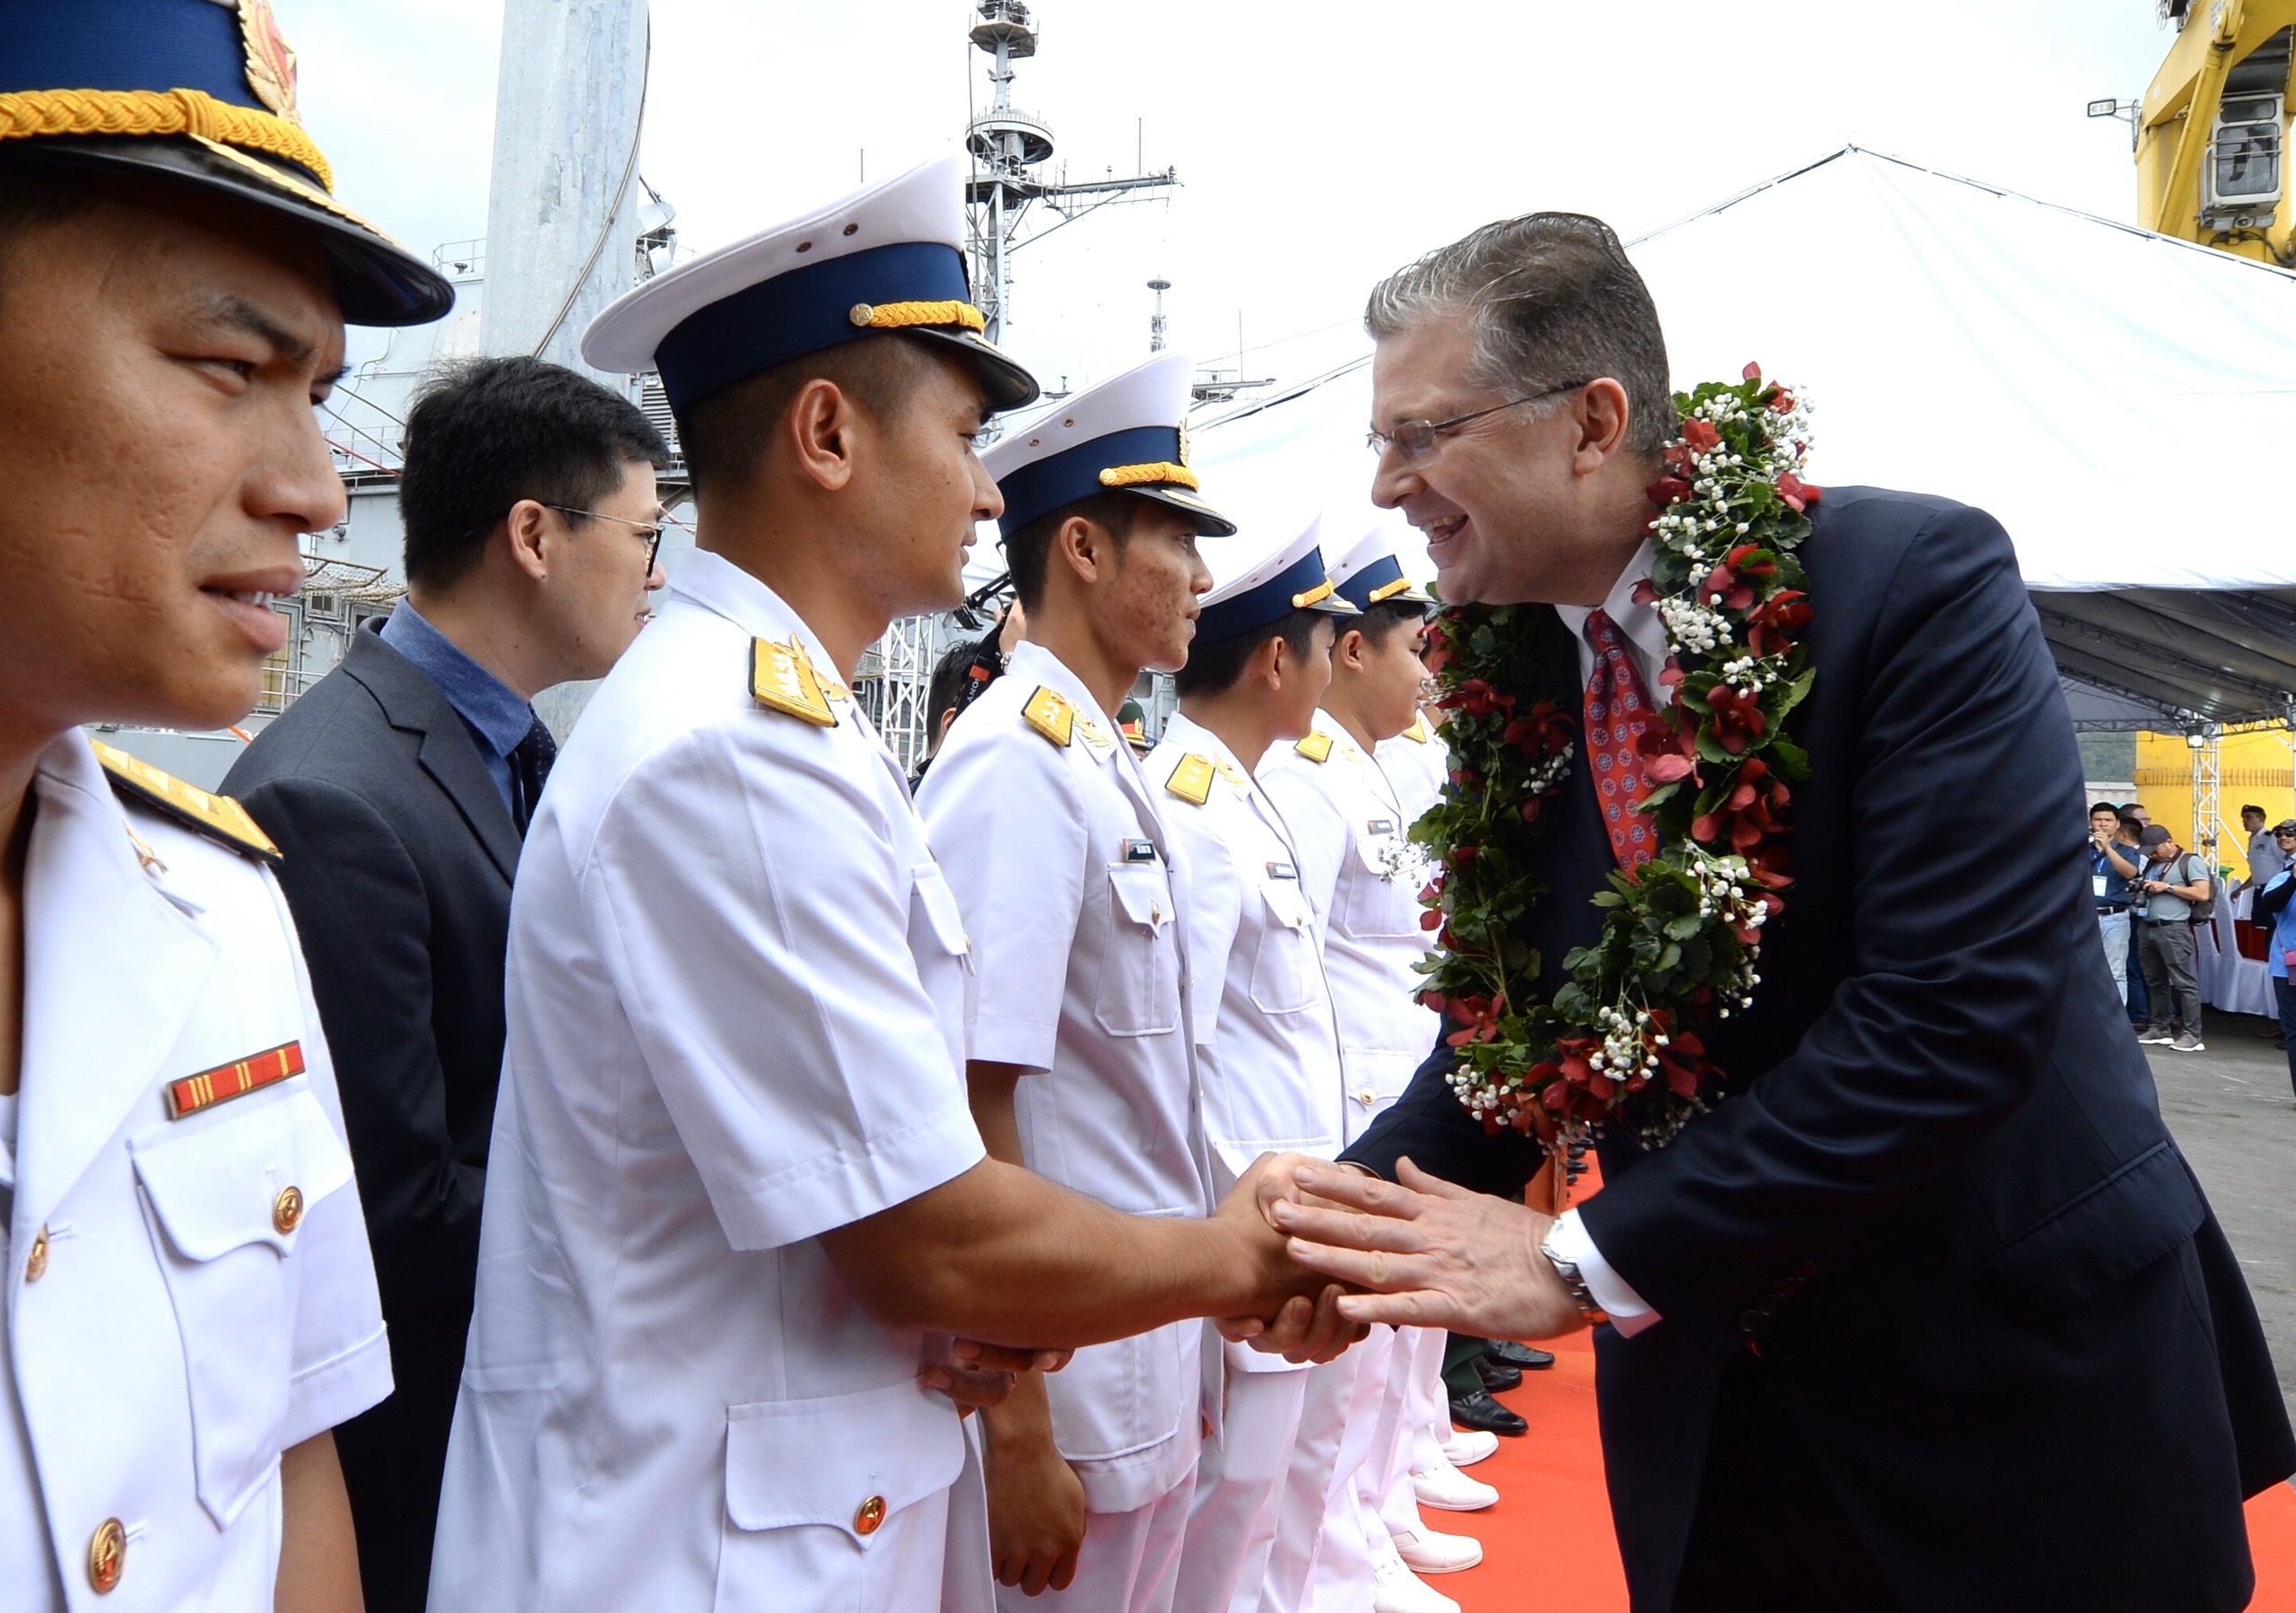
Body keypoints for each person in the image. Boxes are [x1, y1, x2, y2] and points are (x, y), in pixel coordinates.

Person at [1258, 209, 2292, 1611]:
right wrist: (1321, 1226)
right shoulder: (1515, 673)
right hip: (1723, 1426)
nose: (1387, 485)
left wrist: (1579, 1254)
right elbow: (1504, 1046)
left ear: (1591, 420)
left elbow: (1950, 1019)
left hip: (2004, 1398)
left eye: (1422, 432)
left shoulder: (1909, 588)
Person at [425, 157, 1346, 1613]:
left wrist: (983, 1321)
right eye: (969, 433)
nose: (992, 488)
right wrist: (1230, 1260)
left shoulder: (794, 721)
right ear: (827, 431)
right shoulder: (734, 748)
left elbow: (860, 1189)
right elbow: (928, 1225)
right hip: (696, 1543)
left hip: (791, 1507)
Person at [0, 3, 459, 1606]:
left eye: (320, 389)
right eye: (227, 366)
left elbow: (288, 1472)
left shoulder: (222, 915)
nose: (320, 485)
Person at [218, 356, 665, 1610]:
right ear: (534, 534)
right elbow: (392, 1211)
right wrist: (670, 1223)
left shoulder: (517, 748)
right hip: (411, 1474)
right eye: (642, 533)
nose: (658, 571)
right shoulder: (337, 795)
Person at [918, 351, 1231, 1609]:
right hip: (1073, 1381)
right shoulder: (1018, 764)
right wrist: (1020, 1430)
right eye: (1177, 541)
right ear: (1086, 552)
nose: (1205, 578)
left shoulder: (1101, 756)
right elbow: (978, 1101)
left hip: (1147, 1352)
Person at [1257, 526, 1485, 1613]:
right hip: (1344, 1087)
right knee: (1346, 1349)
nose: (1424, 672)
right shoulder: (1307, 776)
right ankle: (1339, 1551)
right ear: (1349, 651)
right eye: (1409, 649)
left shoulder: (1378, 770)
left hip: (1396, 1074)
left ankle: (1380, 1502)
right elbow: (1285, 957)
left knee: (1400, 1331)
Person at [1144, 518, 1363, 1613]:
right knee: (1219, 1528)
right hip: (1247, 1237)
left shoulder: (1238, 788)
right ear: (1279, 657)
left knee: (1257, 1513)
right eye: (1327, 642)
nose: (1336, 666)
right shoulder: (1191, 811)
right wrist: (1236, 1251)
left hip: (1286, 1220)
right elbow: (1177, 1064)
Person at [2134, 824, 2212, 1052]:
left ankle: (2192, 1033)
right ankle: (2160, 1027)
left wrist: (2167, 887)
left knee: (2183, 982)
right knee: (2155, 980)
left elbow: (2202, 893)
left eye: (2155, 849)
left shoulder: (2190, 861)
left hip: (2174, 927)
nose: (2152, 854)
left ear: (2169, 841)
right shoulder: (2152, 863)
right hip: (2148, 926)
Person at [2251, 821, 2296, 1098]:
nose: (2282, 838)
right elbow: (2271, 905)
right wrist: (2294, 878)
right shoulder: (2282, 877)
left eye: (2288, 834)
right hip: (2289, 965)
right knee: (2294, 1031)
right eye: (2278, 834)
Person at [2088, 800, 2140, 1006]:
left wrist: (2108, 848)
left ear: (2117, 824)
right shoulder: (2082, 850)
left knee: (2115, 971)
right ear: (2091, 822)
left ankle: (2115, 1023)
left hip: (2115, 917)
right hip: (2086, 917)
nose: (2102, 824)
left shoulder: (2127, 851)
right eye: (2098, 820)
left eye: (2108, 820)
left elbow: (2130, 873)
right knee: (2085, 968)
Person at [2243, 803, 2288, 889]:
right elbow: (2258, 872)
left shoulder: (2271, 838)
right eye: (2243, 818)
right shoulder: (2252, 840)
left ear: (2261, 818)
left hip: (2273, 887)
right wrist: (2240, 889)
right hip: (2258, 889)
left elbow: (2286, 861)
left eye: (2248, 817)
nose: (2244, 821)